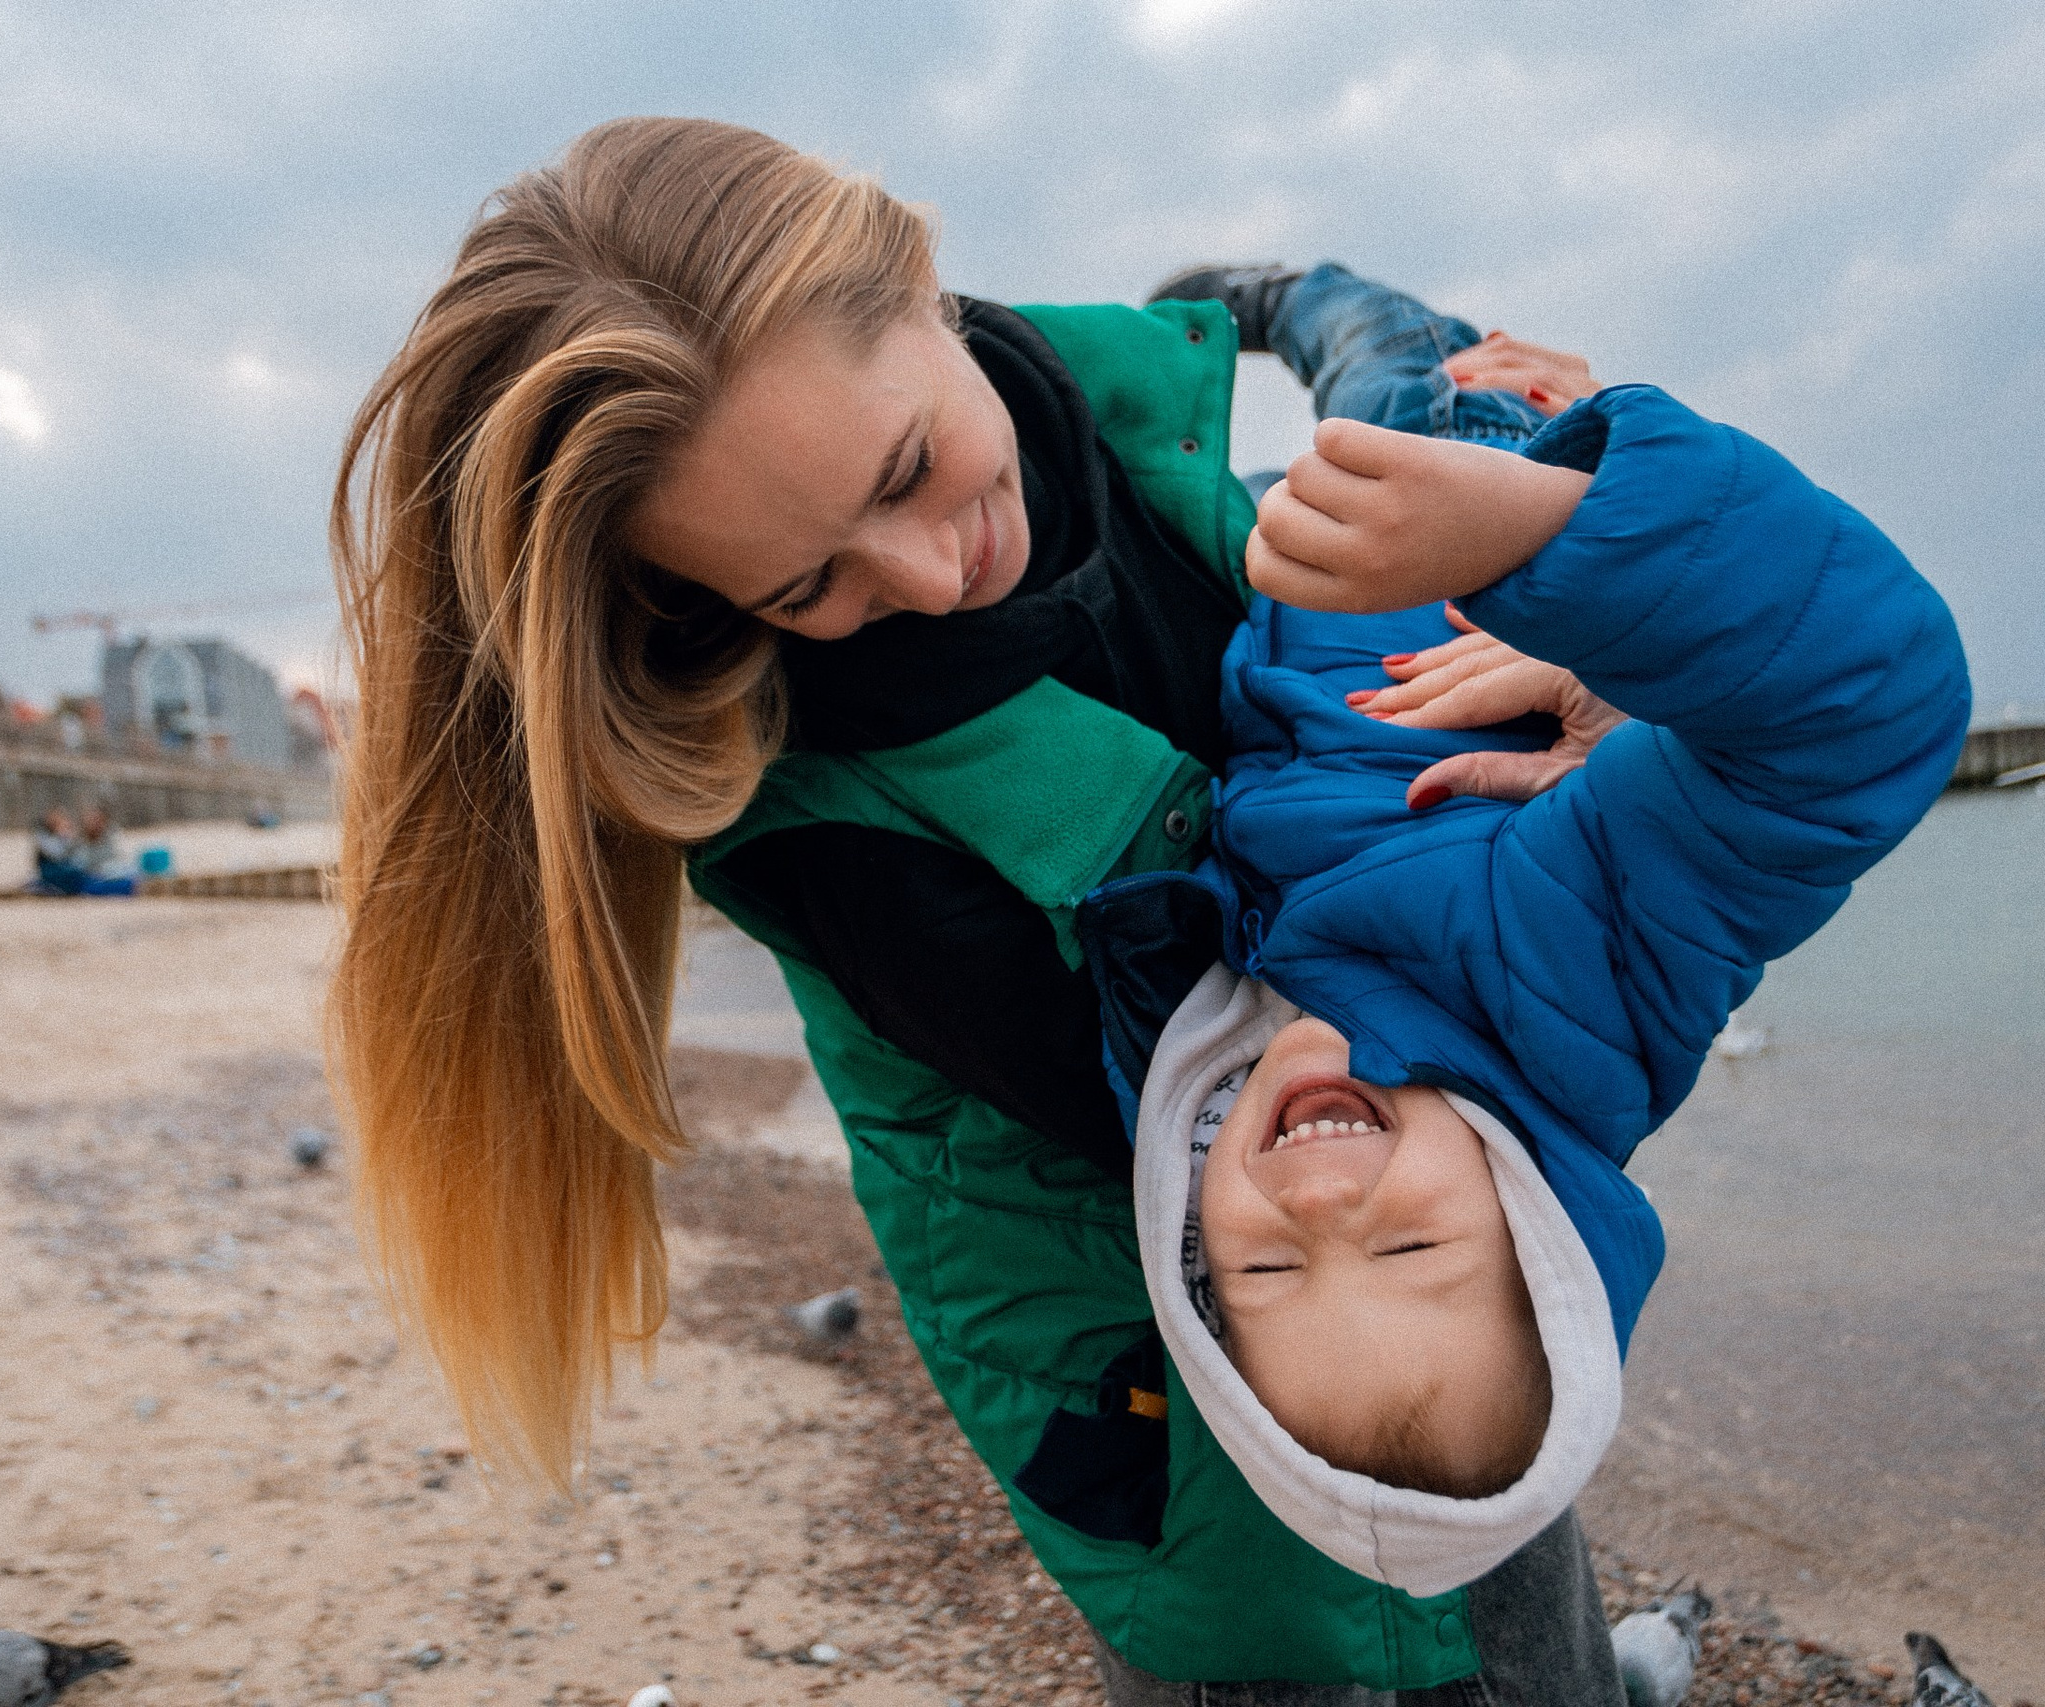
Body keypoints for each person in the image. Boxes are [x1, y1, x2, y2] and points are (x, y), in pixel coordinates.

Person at [331, 117, 1649, 1700]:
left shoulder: (1172, 466)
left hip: (1429, 1281)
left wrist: (1596, 573)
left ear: (921, 271)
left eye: (904, 471)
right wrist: (1610, 786)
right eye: (803, 585)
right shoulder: (825, 826)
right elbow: (1277, 1057)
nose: (927, 571)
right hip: (1196, 1420)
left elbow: (1413, 483)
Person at [1079, 380, 1969, 1628]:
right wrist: (1548, 537)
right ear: (1529, 1219)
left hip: (1296, 555)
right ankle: (1294, 301)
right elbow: (1868, 707)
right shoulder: (1584, 976)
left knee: (1337, 366)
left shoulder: (1187, 1048)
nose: (1321, 1203)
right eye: (1410, 1249)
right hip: (1467, 470)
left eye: (1265, 1264)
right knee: (1372, 340)